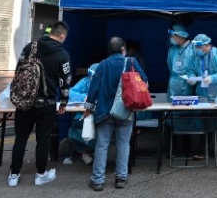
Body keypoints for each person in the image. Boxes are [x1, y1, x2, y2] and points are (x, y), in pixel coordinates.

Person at [8, 21, 72, 187]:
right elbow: (65, 82)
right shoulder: (62, 54)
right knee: (42, 139)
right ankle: (40, 174)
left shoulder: (30, 47)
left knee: (20, 138)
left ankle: (14, 175)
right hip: (47, 103)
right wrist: (64, 102)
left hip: (25, 102)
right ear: (62, 36)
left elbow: (18, 72)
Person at [84, 37, 147, 191]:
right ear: (123, 49)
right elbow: (144, 81)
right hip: (125, 110)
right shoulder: (131, 62)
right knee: (123, 144)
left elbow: (93, 89)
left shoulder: (102, 65)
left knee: (102, 145)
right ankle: (121, 178)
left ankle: (98, 181)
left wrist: (88, 108)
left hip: (104, 111)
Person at [67, 63, 99, 165]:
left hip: (99, 118)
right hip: (82, 117)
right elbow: (70, 93)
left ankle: (95, 153)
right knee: (74, 131)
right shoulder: (85, 82)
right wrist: (84, 97)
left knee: (98, 133)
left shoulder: (106, 83)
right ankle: (84, 152)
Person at [167, 25, 194, 99]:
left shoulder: (193, 49)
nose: (171, 38)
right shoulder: (172, 50)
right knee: (172, 106)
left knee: (186, 107)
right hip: (173, 83)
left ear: (179, 35)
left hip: (188, 84)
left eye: (172, 36)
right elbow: (170, 66)